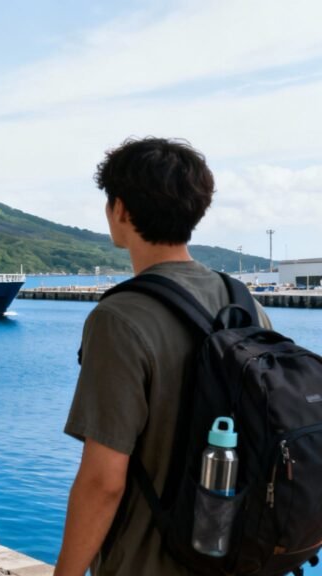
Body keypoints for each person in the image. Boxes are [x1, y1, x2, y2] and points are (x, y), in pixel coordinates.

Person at [54, 137, 270, 576]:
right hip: (234, 554)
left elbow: (103, 481)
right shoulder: (244, 300)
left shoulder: (118, 317)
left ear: (120, 210)